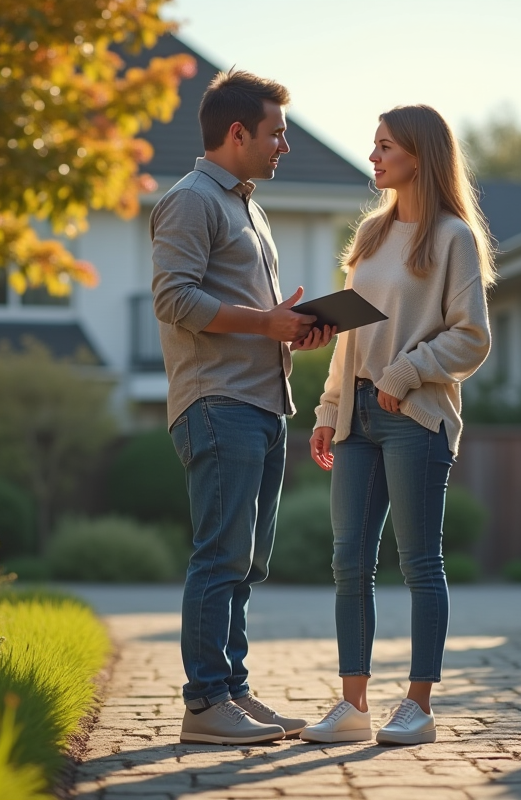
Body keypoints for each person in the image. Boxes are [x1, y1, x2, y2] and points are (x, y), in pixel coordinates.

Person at [300, 105, 495, 746]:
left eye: (386, 146)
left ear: (420, 154)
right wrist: (330, 410)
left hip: (415, 419)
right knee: (349, 561)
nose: (374, 156)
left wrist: (406, 373)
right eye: (374, 145)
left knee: (419, 563)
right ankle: (352, 706)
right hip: (356, 417)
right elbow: (348, 336)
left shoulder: (452, 239)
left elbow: (472, 337)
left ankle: (418, 707)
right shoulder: (372, 236)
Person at [151, 69, 336, 745]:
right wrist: (264, 324)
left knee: (248, 561)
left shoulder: (248, 206)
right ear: (237, 133)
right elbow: (173, 299)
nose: (284, 145)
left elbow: (253, 316)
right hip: (216, 402)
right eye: (276, 133)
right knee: (220, 556)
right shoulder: (191, 201)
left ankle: (231, 690)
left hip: (262, 403)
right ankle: (204, 704)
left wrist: (290, 325)